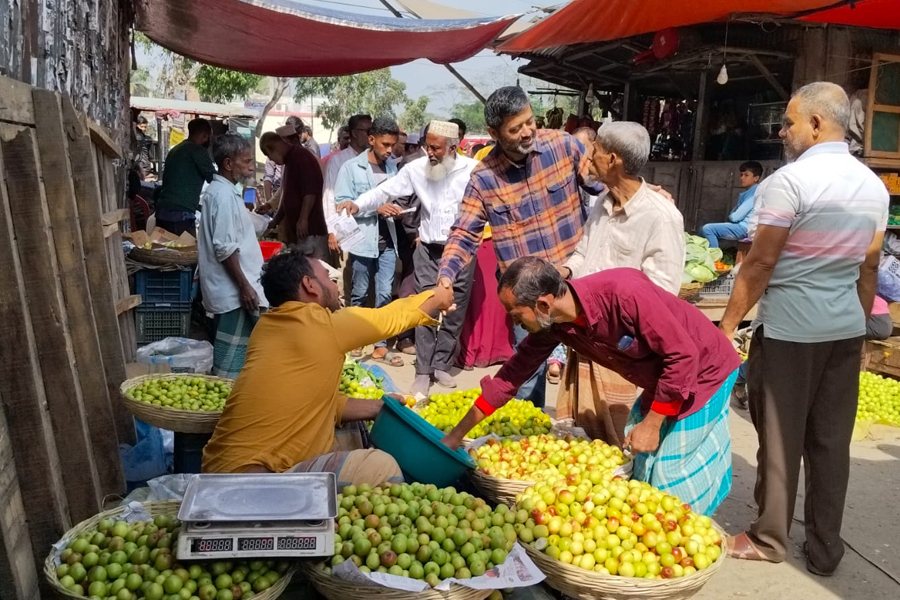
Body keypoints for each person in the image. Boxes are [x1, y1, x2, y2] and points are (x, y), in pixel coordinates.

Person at [719, 82, 888, 574]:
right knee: (831, 443)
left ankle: (769, 538)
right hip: (842, 328)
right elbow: (868, 270)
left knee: (780, 437)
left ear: (816, 124)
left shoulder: (789, 183)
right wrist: (857, 331)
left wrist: (727, 325)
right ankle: (824, 549)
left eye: (790, 121)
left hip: (792, 330)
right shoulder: (872, 186)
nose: (783, 130)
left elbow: (760, 263)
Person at [442, 257, 741, 516]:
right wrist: (456, 436)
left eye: (517, 315)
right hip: (663, 378)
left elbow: (682, 355)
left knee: (668, 474)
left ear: (543, 304)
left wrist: (652, 423)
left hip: (706, 370)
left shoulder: (624, 294)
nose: (516, 325)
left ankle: (686, 534)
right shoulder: (555, 324)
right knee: (642, 469)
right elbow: (511, 377)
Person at [202, 249, 455, 482]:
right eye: (327, 276)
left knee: (348, 434)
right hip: (254, 482)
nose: (334, 285)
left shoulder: (265, 328)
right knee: (381, 466)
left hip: (217, 469)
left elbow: (315, 402)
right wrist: (440, 296)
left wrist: (379, 407)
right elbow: (394, 317)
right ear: (309, 285)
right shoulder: (322, 324)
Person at [436, 86, 601, 408]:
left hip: (577, 283)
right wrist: (445, 277)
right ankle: (530, 439)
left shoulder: (564, 146)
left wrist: (642, 189)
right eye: (515, 129)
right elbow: (464, 232)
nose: (527, 132)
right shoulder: (484, 178)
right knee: (525, 380)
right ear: (493, 133)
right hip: (527, 297)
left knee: (592, 374)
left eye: (529, 121)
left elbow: (604, 182)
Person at [555, 121, 685, 446]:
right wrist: (566, 272)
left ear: (613, 160)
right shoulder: (602, 203)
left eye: (595, 150)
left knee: (622, 440)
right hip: (588, 335)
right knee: (582, 441)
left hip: (624, 347)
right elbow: (585, 252)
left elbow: (663, 291)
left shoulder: (661, 216)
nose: (589, 157)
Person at [338, 120, 480, 395]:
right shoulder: (416, 169)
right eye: (428, 146)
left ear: (454, 147)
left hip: (461, 250)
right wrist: (358, 204)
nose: (430, 152)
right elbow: (385, 191)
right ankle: (423, 371)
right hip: (428, 249)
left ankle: (442, 363)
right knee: (424, 307)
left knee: (455, 309)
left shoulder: (473, 171)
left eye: (436, 148)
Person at [197, 134, 268, 378]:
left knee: (241, 359)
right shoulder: (223, 195)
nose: (251, 166)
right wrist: (245, 286)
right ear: (228, 164)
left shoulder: (224, 192)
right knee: (231, 368)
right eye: (246, 161)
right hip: (234, 294)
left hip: (234, 291)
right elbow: (225, 249)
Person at [334, 116, 402, 365]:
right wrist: (376, 209)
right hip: (362, 241)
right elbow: (342, 204)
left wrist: (396, 208)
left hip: (387, 241)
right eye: (385, 144)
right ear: (371, 140)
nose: (389, 150)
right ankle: (354, 338)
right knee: (360, 294)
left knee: (385, 294)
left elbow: (397, 196)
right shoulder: (351, 168)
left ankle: (380, 344)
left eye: (392, 145)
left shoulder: (393, 168)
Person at [259, 131, 328, 257]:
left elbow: (310, 191)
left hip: (311, 231)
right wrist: (275, 221)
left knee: (314, 268)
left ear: (272, 148)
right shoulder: (289, 160)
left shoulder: (300, 156)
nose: (272, 160)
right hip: (298, 232)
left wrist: (303, 218)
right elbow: (286, 196)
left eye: (269, 155)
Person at [154, 118, 214, 236]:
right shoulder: (197, 151)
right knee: (185, 251)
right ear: (205, 135)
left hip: (162, 211)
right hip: (180, 215)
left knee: (164, 250)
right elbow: (213, 178)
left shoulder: (176, 149)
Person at [324, 115, 372, 255]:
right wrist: (332, 231)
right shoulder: (338, 160)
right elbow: (329, 197)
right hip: (346, 232)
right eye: (368, 131)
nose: (371, 135)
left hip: (370, 232)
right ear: (355, 133)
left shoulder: (373, 160)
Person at [700, 161, 763, 248]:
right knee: (703, 229)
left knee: (707, 229)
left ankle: (714, 259)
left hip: (746, 228)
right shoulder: (748, 192)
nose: (742, 178)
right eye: (741, 175)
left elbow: (735, 217)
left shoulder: (754, 193)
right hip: (741, 226)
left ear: (756, 178)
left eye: (746, 175)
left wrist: (732, 215)